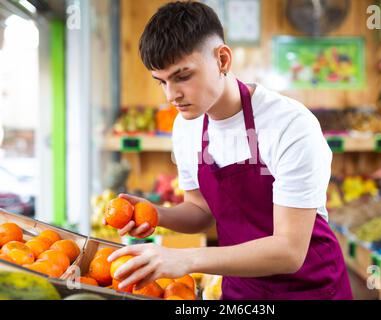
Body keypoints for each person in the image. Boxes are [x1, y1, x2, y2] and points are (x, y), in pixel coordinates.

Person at [106, 0, 353, 300]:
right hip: (241, 292)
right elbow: (200, 210)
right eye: (162, 82)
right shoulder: (187, 127)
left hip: (311, 290)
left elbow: (289, 251)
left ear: (222, 60)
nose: (172, 95)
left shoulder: (290, 125)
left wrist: (184, 259)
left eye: (183, 76)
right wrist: (155, 214)